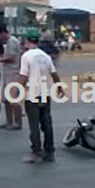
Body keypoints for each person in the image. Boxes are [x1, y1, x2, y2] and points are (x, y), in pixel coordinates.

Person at [19, 35, 61, 164]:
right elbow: (54, 74)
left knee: (34, 124)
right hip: (45, 94)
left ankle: (36, 152)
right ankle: (49, 152)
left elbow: (23, 76)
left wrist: (16, 92)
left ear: (27, 42)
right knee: (46, 124)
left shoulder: (26, 56)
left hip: (32, 95)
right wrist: (59, 88)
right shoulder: (45, 56)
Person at [0, 25, 23, 130]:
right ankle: (9, 121)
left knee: (13, 100)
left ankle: (18, 122)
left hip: (13, 73)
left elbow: (11, 58)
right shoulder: (6, 43)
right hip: (6, 73)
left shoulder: (12, 42)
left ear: (3, 33)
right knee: (5, 99)